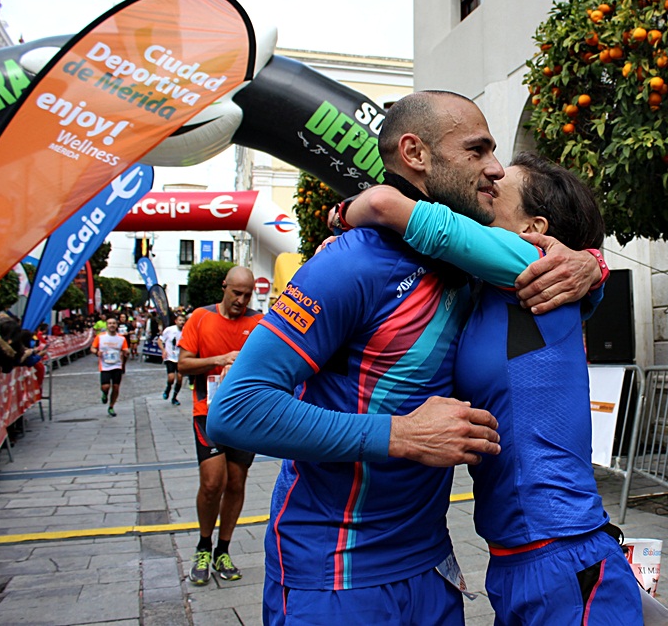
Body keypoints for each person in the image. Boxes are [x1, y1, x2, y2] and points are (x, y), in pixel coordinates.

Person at [206, 90, 602, 625]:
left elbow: (552, 263)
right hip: (335, 573)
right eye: (478, 151)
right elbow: (237, 408)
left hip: (433, 567)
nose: (495, 169)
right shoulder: (347, 265)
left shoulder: (476, 266)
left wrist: (589, 265)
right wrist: (402, 436)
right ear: (416, 153)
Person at [343, 150, 642, 624]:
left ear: (534, 231)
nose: (488, 179)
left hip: (564, 556)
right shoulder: (483, 289)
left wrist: (344, 212)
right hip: (514, 558)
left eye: (499, 188)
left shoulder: (533, 271)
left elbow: (387, 205)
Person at [177, 267, 262, 586]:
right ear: (224, 288)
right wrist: (221, 359)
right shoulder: (200, 317)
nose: (241, 300)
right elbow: (183, 364)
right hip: (208, 412)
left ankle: (222, 550)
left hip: (244, 414)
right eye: (236, 293)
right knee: (214, 482)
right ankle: (203, 545)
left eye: (247, 294)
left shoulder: (258, 323)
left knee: (236, 482)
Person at [91, 317, 129, 418]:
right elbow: (93, 348)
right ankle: (104, 393)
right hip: (105, 366)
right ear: (107, 326)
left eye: (114, 323)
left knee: (116, 387)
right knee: (106, 386)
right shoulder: (100, 337)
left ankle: (111, 406)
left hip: (117, 365)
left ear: (116, 325)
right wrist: (96, 352)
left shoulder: (121, 338)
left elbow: (125, 349)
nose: (112, 325)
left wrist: (126, 353)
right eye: (109, 323)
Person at [158, 313, 186, 406]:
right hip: (170, 357)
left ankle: (174, 397)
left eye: (183, 320)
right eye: (180, 320)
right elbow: (160, 340)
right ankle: (168, 388)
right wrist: (163, 350)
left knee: (179, 379)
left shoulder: (186, 331)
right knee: (171, 378)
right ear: (176, 321)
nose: (181, 322)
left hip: (180, 358)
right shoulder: (169, 330)